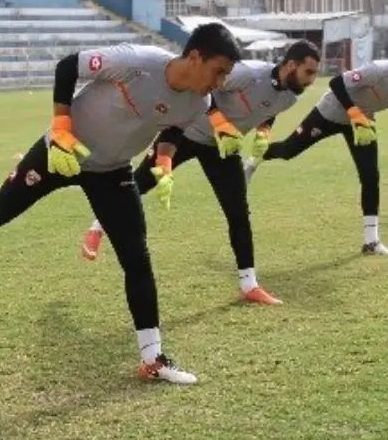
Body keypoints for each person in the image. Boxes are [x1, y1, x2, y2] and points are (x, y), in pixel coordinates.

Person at [0, 24, 243, 384]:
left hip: (111, 171)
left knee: (136, 258)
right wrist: (61, 126)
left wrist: (165, 160)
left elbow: (173, 128)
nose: (219, 82)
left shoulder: (198, 102)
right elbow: (67, 66)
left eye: (226, 76)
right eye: (218, 71)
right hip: (62, 152)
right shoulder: (136, 61)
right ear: (194, 57)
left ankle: (153, 360)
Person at [80, 40, 322, 305]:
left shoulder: (291, 95)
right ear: (290, 65)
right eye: (308, 72)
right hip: (184, 134)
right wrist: (219, 121)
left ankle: (249, 285)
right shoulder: (247, 74)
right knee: (141, 183)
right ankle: (97, 227)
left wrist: (264, 131)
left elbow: (270, 109)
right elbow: (201, 91)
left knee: (238, 212)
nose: (312, 79)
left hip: (222, 147)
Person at [245, 44, 388, 256]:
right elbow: (336, 82)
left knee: (370, 176)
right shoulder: (379, 70)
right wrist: (353, 112)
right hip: (329, 113)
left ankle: (371, 242)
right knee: (288, 151)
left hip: (362, 124)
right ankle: (252, 161)